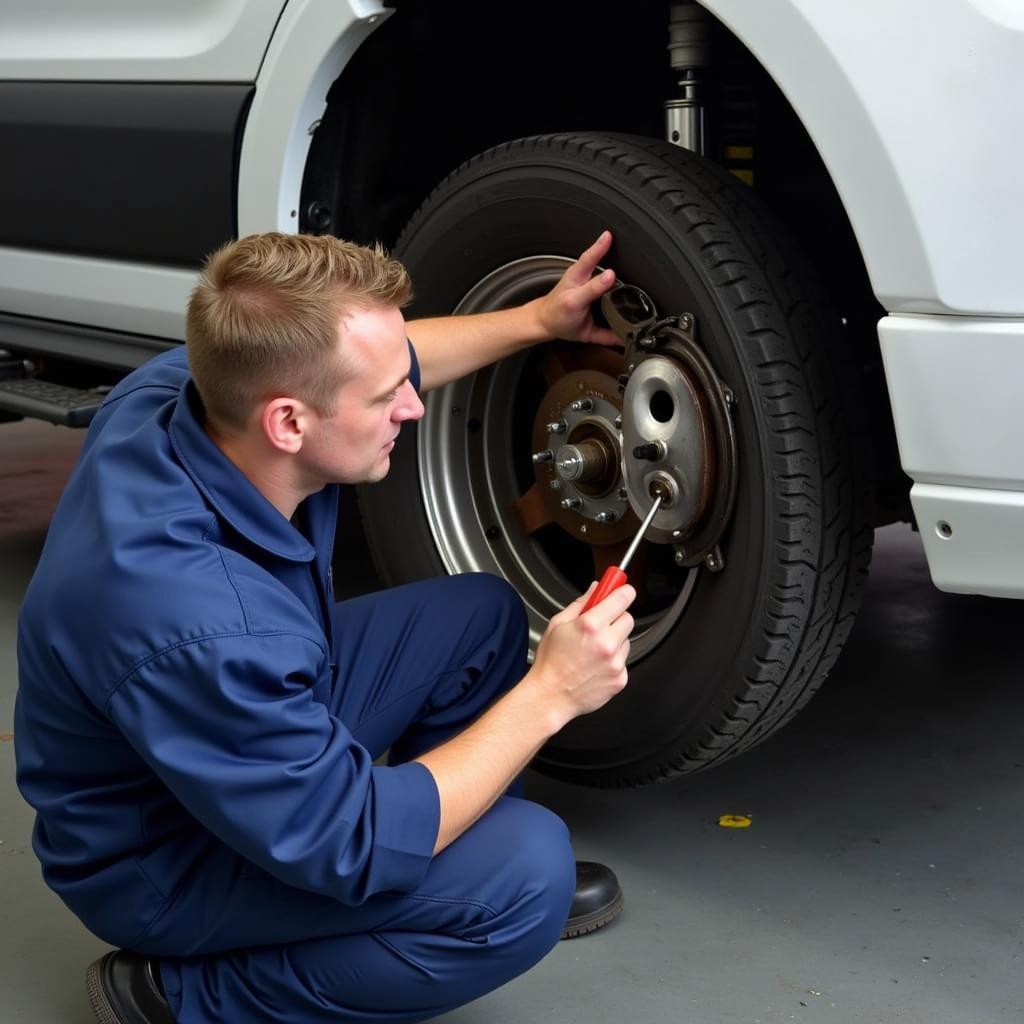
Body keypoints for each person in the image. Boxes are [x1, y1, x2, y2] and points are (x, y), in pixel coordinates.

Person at [15, 229, 637, 1024]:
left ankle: (445, 861)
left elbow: (401, 354)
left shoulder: (193, 392)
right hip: (166, 861)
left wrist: (538, 322)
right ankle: (179, 996)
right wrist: (553, 692)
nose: (412, 404)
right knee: (526, 876)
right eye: (385, 400)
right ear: (289, 424)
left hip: (217, 737)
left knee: (477, 616)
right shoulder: (203, 621)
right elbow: (354, 839)